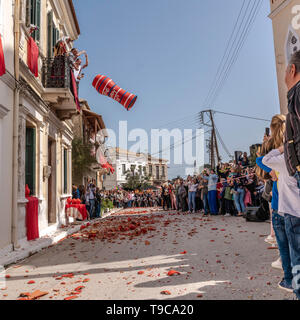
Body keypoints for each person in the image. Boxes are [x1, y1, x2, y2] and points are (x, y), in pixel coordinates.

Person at [263, 145, 300, 299]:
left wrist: (282, 148)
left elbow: (265, 159)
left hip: (292, 212)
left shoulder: (286, 160)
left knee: (296, 255)